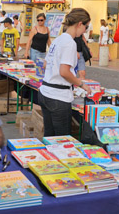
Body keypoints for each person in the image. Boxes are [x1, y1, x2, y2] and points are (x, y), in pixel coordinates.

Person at [38, 8, 93, 136]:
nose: (85, 30)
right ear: (79, 24)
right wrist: (81, 84)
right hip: (58, 97)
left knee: (49, 136)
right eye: (86, 26)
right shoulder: (70, 43)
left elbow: (46, 64)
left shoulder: (58, 40)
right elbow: (64, 72)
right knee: (62, 140)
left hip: (46, 91)